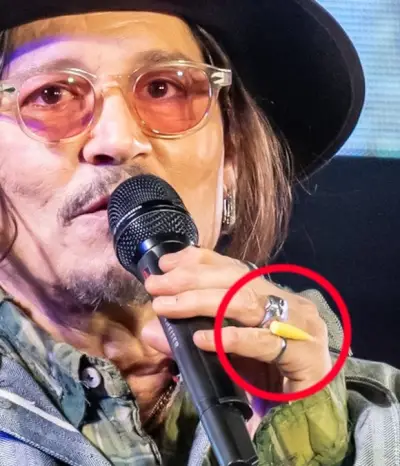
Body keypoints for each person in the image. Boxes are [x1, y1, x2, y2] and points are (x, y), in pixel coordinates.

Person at [0, 1, 398, 465]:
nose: (119, 140)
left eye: (163, 88)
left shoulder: (380, 429)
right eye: (51, 95)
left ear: (231, 159)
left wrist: (303, 444)